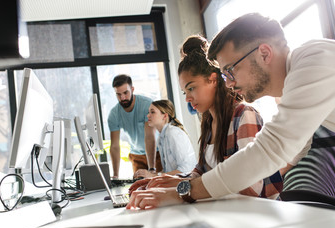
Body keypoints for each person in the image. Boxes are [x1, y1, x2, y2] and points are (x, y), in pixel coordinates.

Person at [127, 34, 289, 209]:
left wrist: (183, 192)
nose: (188, 98)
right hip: (228, 212)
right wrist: (169, 182)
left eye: (191, 88)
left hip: (260, 214)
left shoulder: (244, 115)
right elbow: (200, 173)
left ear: (212, 79)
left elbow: (251, 187)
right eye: (184, 92)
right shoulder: (209, 122)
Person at [107, 74, 162, 178]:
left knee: (159, 183)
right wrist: (115, 176)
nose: (122, 98)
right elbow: (114, 146)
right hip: (136, 155)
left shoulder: (147, 104)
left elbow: (150, 137)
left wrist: (151, 169)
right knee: (138, 187)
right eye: (118, 94)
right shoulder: (114, 114)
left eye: (125, 93)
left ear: (132, 89)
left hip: (157, 153)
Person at [133, 100, 197, 179]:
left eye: (152, 112)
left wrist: (153, 176)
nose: (148, 116)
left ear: (165, 116)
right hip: (175, 183)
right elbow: (168, 171)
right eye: (148, 112)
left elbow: (186, 169)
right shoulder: (161, 137)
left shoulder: (173, 133)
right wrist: (150, 175)